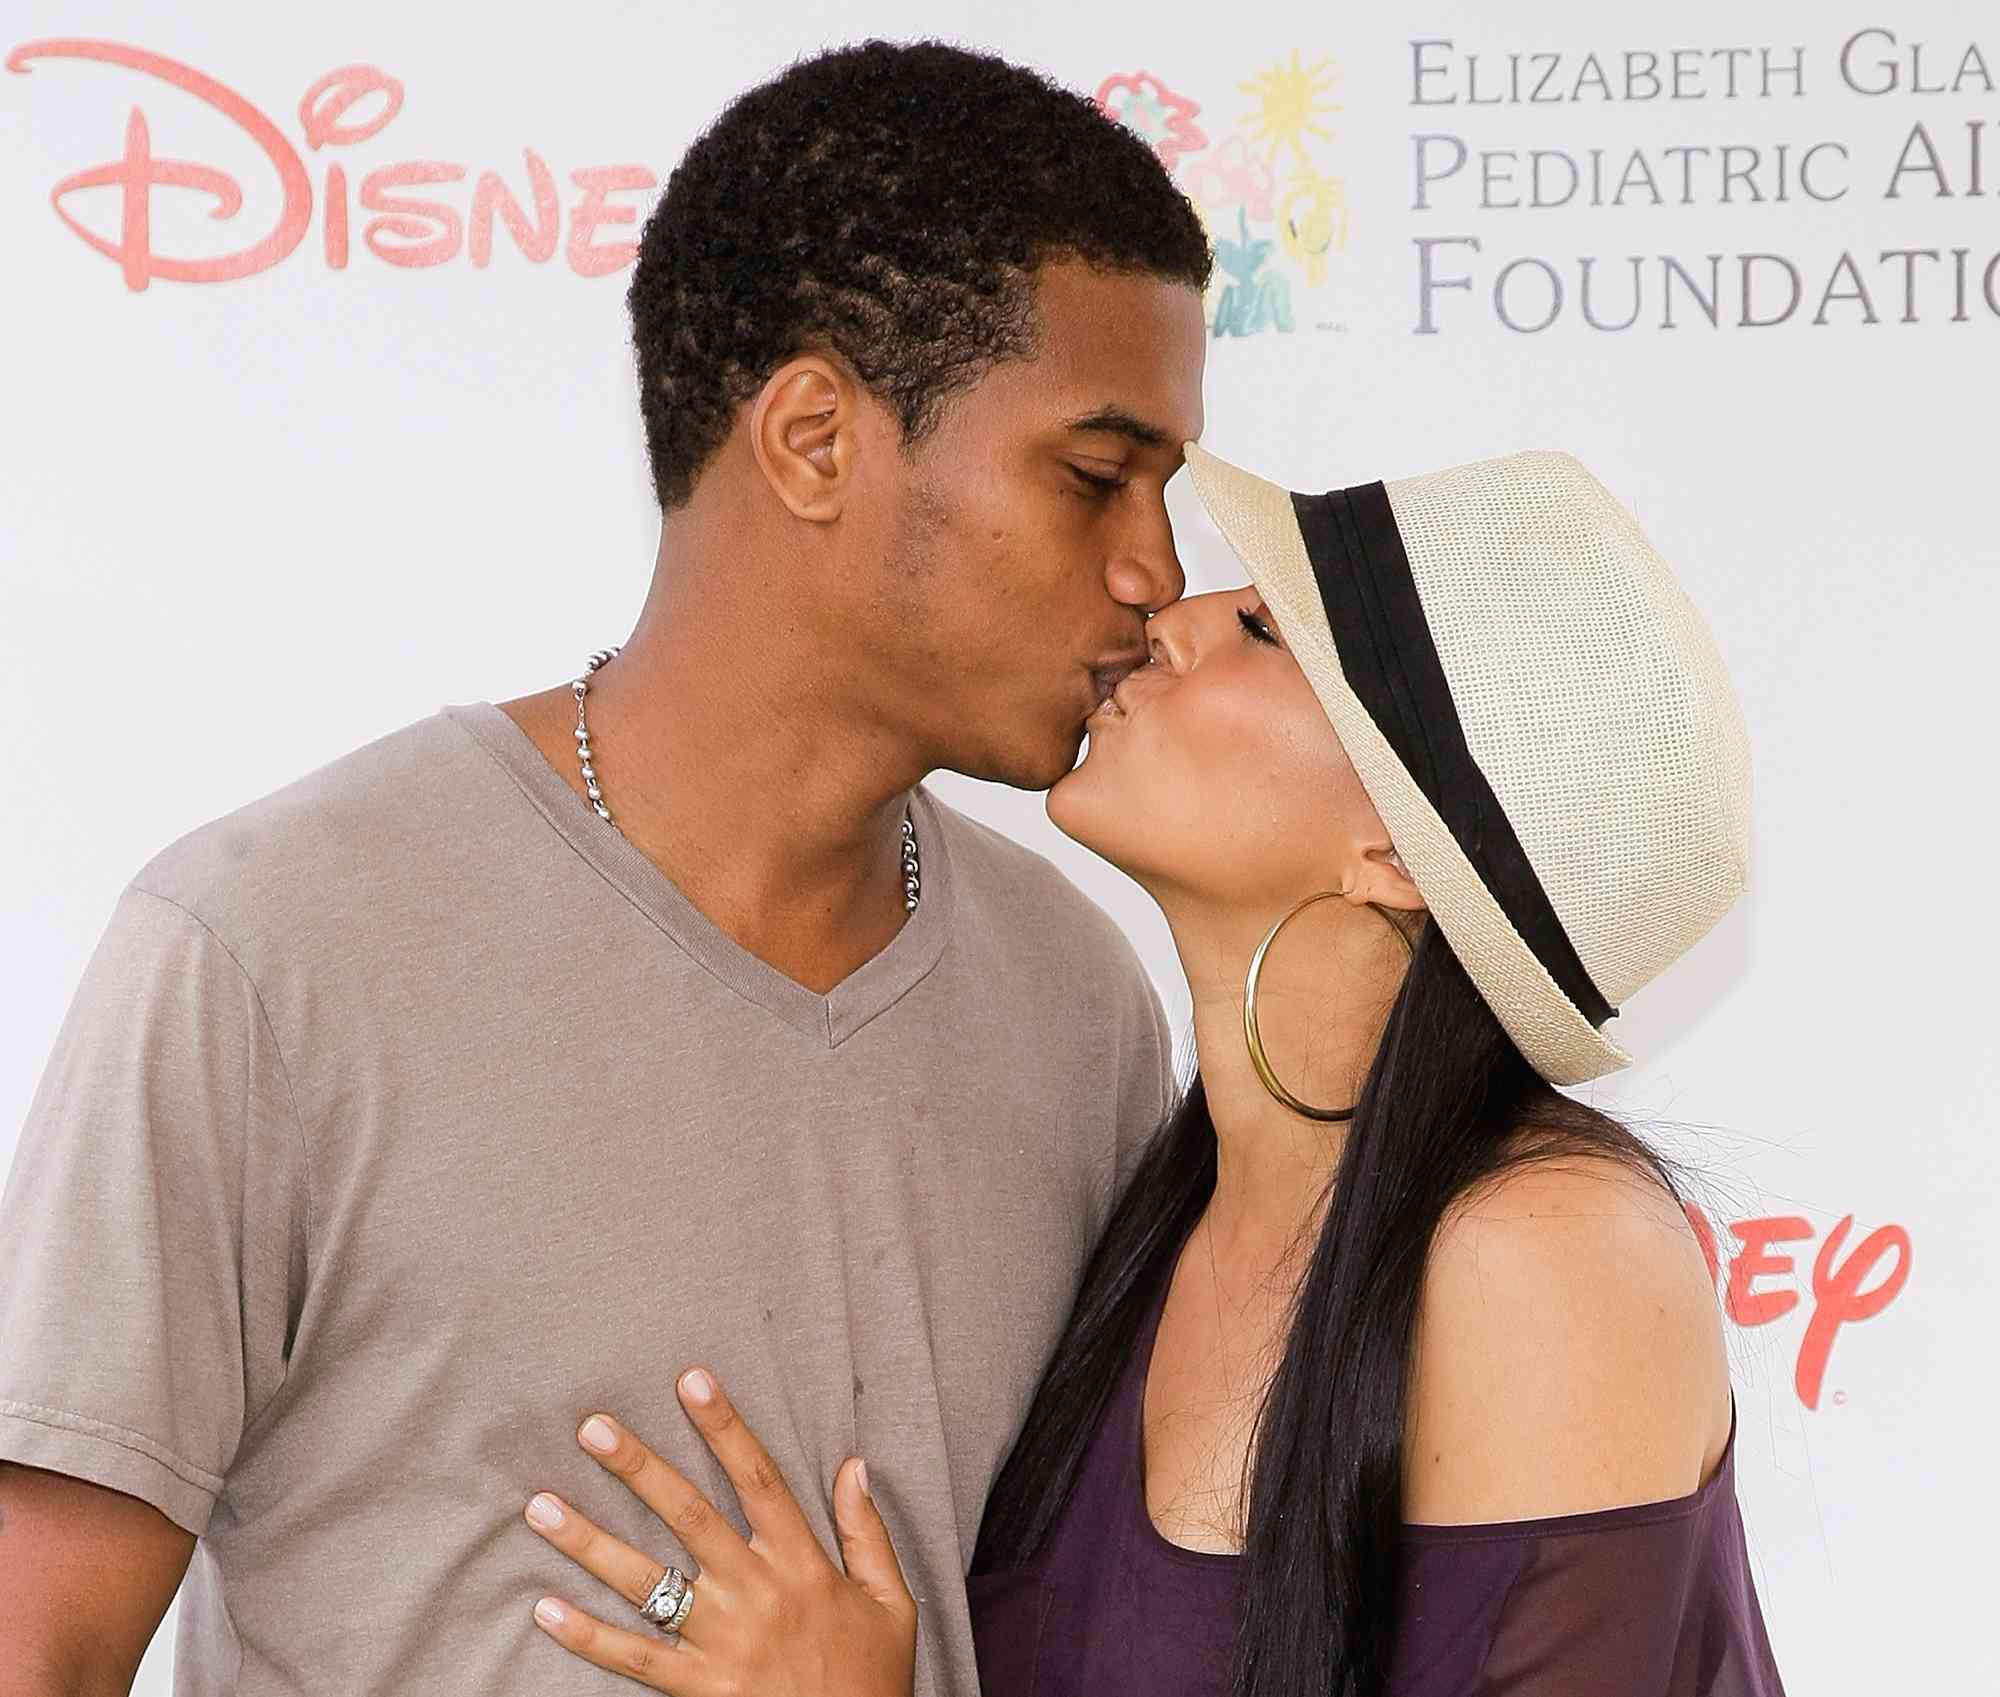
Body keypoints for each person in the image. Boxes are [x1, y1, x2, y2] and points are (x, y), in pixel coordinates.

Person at [0, 41, 1212, 1697]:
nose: (1154, 570)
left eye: (1166, 491)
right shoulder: (273, 944)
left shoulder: (1083, 1003)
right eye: (1095, 477)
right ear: (810, 438)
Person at [515, 447, 1785, 1696]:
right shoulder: (1147, 1200)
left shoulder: (1545, 1253)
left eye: (1265, 631)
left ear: (1399, 855)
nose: (1163, 620)